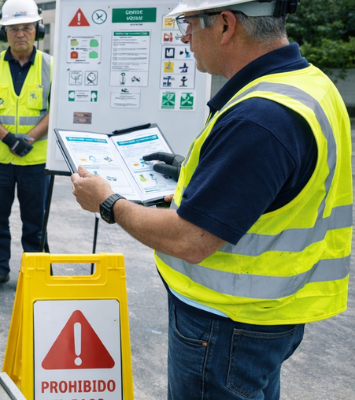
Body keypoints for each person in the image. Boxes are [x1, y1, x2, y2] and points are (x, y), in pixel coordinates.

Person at [69, 0, 351, 398]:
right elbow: (272, 182)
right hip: (266, 316)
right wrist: (193, 172)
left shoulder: (259, 117)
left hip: (226, 327)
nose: (184, 37)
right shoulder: (308, 84)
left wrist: (108, 202)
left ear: (224, 24)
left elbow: (192, 241)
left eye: (188, 24)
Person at [0, 0, 52, 291]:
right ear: (3, 33)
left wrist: (29, 138)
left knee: (36, 221)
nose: (20, 34)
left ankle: (36, 270)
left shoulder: (51, 66)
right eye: (13, 28)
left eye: (26, 27)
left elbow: (56, 110)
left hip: (35, 160)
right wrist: (8, 139)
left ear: (37, 30)